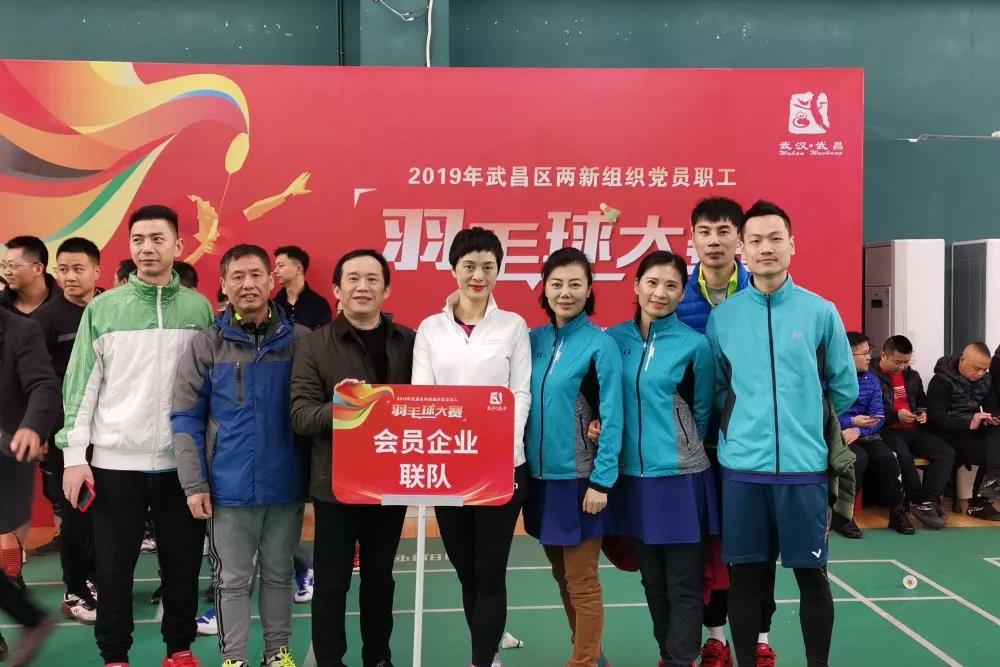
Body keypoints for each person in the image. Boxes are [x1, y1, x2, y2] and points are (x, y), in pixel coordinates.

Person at [58, 204, 215, 667]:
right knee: (113, 569)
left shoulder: (199, 308)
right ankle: (115, 656)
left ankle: (180, 650)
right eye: (138, 240)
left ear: (178, 246)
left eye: (157, 239)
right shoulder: (104, 308)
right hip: (114, 464)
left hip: (180, 465)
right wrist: (74, 456)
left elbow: (210, 385)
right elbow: (81, 386)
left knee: (183, 565)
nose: (147, 248)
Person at [705, 200, 858, 667]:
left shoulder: (820, 312)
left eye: (775, 238)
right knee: (746, 580)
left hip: (804, 470)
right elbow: (718, 389)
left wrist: (803, 421)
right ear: (742, 250)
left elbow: (844, 386)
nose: (765, 248)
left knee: (813, 577)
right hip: (742, 472)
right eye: (755, 240)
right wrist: (744, 425)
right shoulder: (723, 318)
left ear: (792, 244)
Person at [173, 244, 309, 667]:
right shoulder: (206, 345)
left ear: (271, 280)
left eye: (256, 275)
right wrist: (194, 483)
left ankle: (277, 653)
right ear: (223, 284)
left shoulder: (301, 342)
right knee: (231, 580)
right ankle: (234, 658)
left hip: (286, 485)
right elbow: (185, 417)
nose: (247, 284)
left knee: (279, 575)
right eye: (238, 276)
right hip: (226, 489)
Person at [411, 227, 531, 667]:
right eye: (469, 266)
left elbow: (520, 393)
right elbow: (423, 397)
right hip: (450, 468)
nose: (478, 275)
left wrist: (501, 449)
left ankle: (482, 661)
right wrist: (443, 451)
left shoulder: (513, 326)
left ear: (498, 271)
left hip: (502, 467)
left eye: (488, 266)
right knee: (466, 571)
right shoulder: (431, 329)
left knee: (489, 572)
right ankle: (489, 651)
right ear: (454, 269)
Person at [291, 249, 414, 667]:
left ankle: (379, 658)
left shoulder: (410, 342)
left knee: (380, 580)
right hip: (336, 485)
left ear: (387, 289)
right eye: (353, 279)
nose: (363, 287)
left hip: (390, 483)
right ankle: (330, 660)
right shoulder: (313, 346)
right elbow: (300, 415)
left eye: (372, 279)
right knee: (332, 584)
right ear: (337, 289)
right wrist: (347, 406)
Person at [605, 250, 719, 667]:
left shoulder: (695, 345)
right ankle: (668, 653)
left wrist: (681, 445)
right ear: (637, 285)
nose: (660, 292)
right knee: (653, 581)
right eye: (652, 282)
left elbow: (702, 411)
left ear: (682, 292)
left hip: (681, 480)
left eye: (672, 285)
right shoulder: (612, 340)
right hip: (630, 480)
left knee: (684, 582)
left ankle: (679, 660)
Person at [675, 197, 771, 667]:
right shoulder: (674, 296)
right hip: (695, 447)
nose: (714, 240)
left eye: (724, 231)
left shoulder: (764, 291)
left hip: (754, 445)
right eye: (705, 231)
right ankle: (716, 638)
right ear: (692, 237)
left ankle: (760, 640)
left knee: (756, 548)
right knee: (706, 547)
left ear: (740, 238)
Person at [524, 247, 623, 667]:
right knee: (562, 575)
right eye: (557, 284)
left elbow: (613, 416)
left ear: (589, 289)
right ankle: (591, 656)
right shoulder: (532, 340)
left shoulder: (600, 345)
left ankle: (584, 661)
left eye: (575, 284)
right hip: (539, 480)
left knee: (582, 579)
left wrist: (601, 480)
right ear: (545, 288)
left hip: (581, 480)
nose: (565, 293)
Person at [33, 237, 104, 624]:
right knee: (77, 516)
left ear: (97, 271)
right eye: (63, 269)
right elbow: (37, 382)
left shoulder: (110, 308)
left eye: (79, 269)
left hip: (109, 434)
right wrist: (43, 430)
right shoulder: (46, 320)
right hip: (68, 436)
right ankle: (75, 588)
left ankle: (96, 578)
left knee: (106, 514)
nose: (70, 276)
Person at [0, 307, 61, 664]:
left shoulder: (21, 331)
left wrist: (32, 427)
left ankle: (31, 619)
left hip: (7, 449)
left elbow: (43, 385)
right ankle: (31, 618)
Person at [871, 335, 955, 529]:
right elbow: (871, 411)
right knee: (903, 456)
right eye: (897, 362)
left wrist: (923, 413)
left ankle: (928, 502)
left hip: (913, 429)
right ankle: (918, 501)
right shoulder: (870, 376)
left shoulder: (913, 376)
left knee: (946, 452)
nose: (902, 366)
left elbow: (923, 402)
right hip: (886, 430)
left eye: (906, 362)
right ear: (883, 355)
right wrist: (895, 415)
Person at [836, 333, 913, 537]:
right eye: (864, 353)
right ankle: (844, 516)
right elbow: (824, 414)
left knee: (887, 457)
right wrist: (851, 422)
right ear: (847, 354)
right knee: (858, 458)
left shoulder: (872, 379)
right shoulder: (831, 379)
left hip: (865, 433)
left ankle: (896, 513)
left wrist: (858, 429)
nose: (870, 357)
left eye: (869, 352)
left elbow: (878, 416)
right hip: (838, 435)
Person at [927, 342, 1000, 520]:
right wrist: (968, 423)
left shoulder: (986, 379)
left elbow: (989, 406)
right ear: (962, 360)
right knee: (988, 452)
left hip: (971, 429)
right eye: (977, 368)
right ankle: (979, 501)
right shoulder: (940, 381)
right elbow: (937, 419)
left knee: (995, 441)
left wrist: (992, 417)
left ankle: (981, 500)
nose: (981, 373)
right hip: (946, 432)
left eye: (985, 369)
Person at [273, 246, 332, 330]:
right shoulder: (274, 305)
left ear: (299, 269)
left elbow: (325, 336)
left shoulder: (319, 304)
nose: (275, 271)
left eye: (280, 265)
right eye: (276, 266)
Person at [1, 235, 61, 317]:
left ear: (37, 269)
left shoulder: (67, 304)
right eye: (4, 265)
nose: (6, 272)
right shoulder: (2, 305)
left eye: (13, 265)